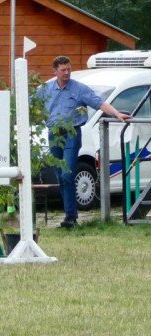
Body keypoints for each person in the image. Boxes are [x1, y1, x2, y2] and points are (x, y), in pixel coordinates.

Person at [37, 55, 131, 228]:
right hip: (53, 134)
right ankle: (69, 215)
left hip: (72, 133)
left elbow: (99, 103)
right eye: (63, 70)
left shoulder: (79, 89)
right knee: (60, 175)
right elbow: (31, 104)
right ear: (55, 71)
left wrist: (117, 114)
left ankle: (71, 217)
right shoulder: (45, 89)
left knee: (67, 173)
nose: (66, 73)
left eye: (69, 69)